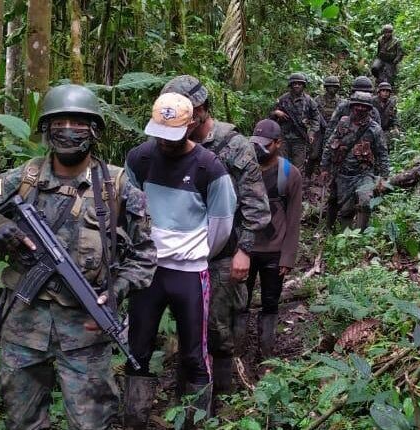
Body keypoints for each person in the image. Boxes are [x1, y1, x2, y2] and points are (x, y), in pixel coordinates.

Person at [0, 84, 157, 430]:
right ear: (46, 129)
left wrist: (118, 290)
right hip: (22, 328)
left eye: (77, 122)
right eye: (58, 122)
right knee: (22, 422)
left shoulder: (118, 187)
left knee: (93, 423)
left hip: (85, 331)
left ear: (93, 130)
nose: (67, 129)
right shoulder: (24, 178)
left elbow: (144, 256)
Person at [123, 92, 237, 427]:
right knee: (136, 348)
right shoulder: (140, 159)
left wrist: (192, 252)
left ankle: (196, 420)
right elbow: (128, 210)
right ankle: (134, 418)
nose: (166, 143)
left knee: (195, 352)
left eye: (173, 136)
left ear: (191, 125)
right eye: (160, 134)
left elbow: (221, 227)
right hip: (147, 270)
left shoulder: (209, 168)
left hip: (188, 272)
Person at [159, 75, 270, 397]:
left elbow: (256, 205)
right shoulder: (167, 143)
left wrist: (244, 251)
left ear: (203, 110)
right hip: (178, 250)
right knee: (183, 324)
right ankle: (187, 391)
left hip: (221, 252)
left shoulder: (234, 146)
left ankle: (222, 394)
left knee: (218, 328)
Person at [243, 119, 302, 357]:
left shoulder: (290, 174)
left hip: (274, 251)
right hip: (244, 249)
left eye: (265, 145)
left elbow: (294, 218)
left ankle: (265, 352)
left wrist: (287, 257)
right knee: (239, 302)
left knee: (270, 301)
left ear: (278, 143)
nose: (259, 150)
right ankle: (237, 349)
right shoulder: (244, 168)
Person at [320, 91, 389, 231]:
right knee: (345, 209)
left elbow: (382, 153)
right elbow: (330, 143)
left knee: (365, 201)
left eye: (364, 106)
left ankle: (361, 235)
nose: (361, 109)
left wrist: (384, 177)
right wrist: (324, 168)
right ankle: (342, 235)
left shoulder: (374, 129)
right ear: (352, 106)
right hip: (342, 172)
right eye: (358, 105)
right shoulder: (343, 123)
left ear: (369, 109)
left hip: (364, 173)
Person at [270, 72, 321, 171]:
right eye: (294, 83)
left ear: (303, 85)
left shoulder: (309, 101)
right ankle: (284, 185)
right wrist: (276, 113)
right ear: (291, 85)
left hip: (300, 138)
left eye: (299, 84)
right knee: (283, 165)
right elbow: (270, 116)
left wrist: (311, 133)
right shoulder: (283, 99)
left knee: (298, 167)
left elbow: (316, 118)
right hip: (283, 137)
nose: (297, 86)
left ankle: (295, 185)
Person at [307, 76, 344, 179]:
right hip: (319, 130)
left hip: (334, 131)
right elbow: (312, 115)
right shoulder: (317, 100)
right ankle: (307, 176)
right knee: (314, 154)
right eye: (330, 87)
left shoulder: (341, 102)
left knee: (334, 154)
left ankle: (330, 178)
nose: (333, 89)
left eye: (335, 87)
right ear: (326, 87)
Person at [372, 81, 399, 150]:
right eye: (383, 91)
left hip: (385, 129)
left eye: (387, 91)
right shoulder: (372, 101)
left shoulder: (391, 103)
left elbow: (394, 116)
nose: (385, 93)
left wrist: (395, 127)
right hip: (373, 128)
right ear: (379, 92)